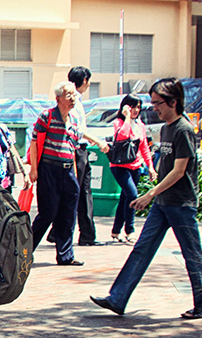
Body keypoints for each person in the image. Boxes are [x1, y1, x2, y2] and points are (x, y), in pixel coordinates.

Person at [91, 77, 202, 319]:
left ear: (173, 101)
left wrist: (150, 194)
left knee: (192, 254)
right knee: (141, 249)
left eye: (157, 103)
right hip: (163, 203)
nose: (154, 108)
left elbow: (179, 171)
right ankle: (117, 298)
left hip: (181, 204)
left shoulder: (183, 129)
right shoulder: (166, 128)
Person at [28, 82, 84, 266]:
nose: (72, 98)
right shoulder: (47, 116)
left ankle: (65, 256)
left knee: (68, 215)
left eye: (74, 95)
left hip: (68, 171)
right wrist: (34, 169)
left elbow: (73, 149)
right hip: (49, 169)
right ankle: (24, 251)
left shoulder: (74, 119)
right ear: (58, 98)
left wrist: (74, 174)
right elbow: (35, 143)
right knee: (47, 213)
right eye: (69, 95)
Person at [69, 66, 109, 247]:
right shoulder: (74, 102)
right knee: (78, 192)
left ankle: (85, 234)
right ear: (84, 81)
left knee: (81, 192)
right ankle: (77, 233)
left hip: (79, 150)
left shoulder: (76, 101)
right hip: (77, 151)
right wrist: (98, 142)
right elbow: (78, 130)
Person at [109, 94, 157, 243]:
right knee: (132, 195)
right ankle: (130, 230)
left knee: (126, 197)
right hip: (119, 166)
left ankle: (116, 230)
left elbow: (144, 147)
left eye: (138, 107)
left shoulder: (140, 125)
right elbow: (122, 136)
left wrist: (150, 167)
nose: (136, 110)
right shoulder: (119, 122)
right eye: (133, 107)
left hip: (135, 166)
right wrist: (127, 118)